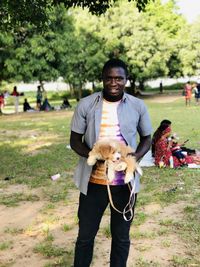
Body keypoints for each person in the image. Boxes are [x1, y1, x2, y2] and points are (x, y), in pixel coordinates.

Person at [70, 58, 152, 267]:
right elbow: (74, 141)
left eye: (119, 78)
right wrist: (94, 156)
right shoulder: (86, 104)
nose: (114, 83)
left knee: (121, 237)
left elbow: (147, 138)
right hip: (93, 185)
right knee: (85, 237)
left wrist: (133, 158)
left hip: (125, 185)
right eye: (109, 78)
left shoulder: (137, 106)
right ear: (103, 79)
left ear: (126, 80)